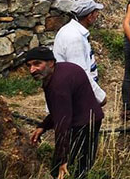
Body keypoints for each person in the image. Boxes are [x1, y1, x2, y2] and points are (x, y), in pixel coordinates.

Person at [27, 47, 104, 179]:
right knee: (82, 165)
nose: (32, 70)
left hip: (83, 124)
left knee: (69, 171)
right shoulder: (62, 70)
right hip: (91, 117)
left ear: (50, 62)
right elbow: (61, 109)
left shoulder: (58, 85)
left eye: (37, 64)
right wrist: (43, 126)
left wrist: (63, 160)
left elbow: (63, 123)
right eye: (29, 65)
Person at [52, 0, 106, 106]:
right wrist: (100, 96)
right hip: (73, 98)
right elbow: (80, 73)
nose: (97, 16)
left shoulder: (70, 30)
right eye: (96, 13)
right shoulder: (74, 38)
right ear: (89, 17)